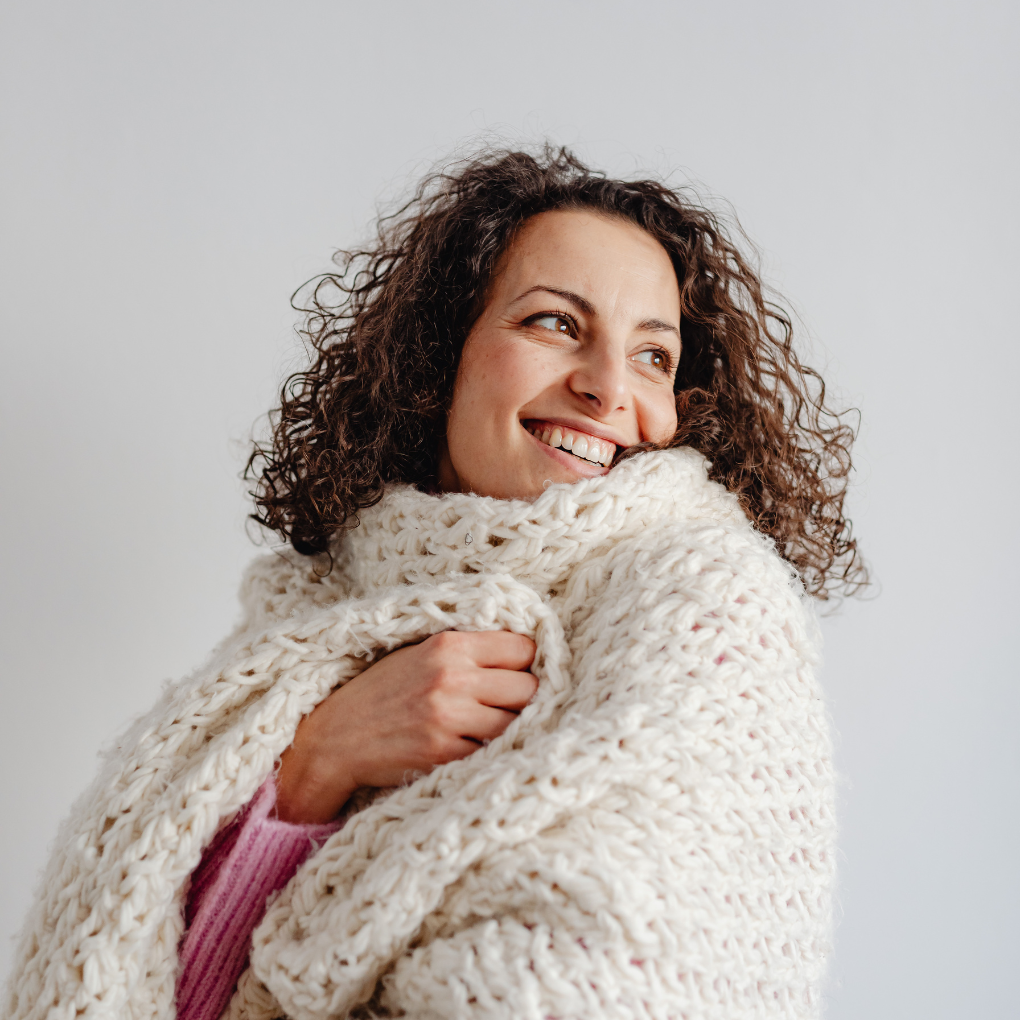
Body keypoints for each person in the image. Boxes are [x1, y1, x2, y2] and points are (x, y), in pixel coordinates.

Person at [4, 146, 864, 1020]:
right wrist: (315, 763)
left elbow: (608, 983)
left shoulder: (708, 611)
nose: (608, 387)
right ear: (439, 353)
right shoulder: (323, 613)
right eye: (556, 325)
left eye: (653, 355)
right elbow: (157, 987)